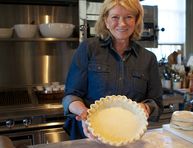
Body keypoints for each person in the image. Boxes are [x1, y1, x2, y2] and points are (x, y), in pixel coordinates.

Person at [62, 0, 163, 140]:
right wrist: (84, 113)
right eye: (115, 17)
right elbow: (70, 97)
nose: (122, 24)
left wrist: (145, 108)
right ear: (106, 20)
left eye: (129, 17)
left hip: (128, 138)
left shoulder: (148, 58)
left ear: (136, 20)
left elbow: (156, 103)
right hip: (88, 136)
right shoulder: (88, 49)